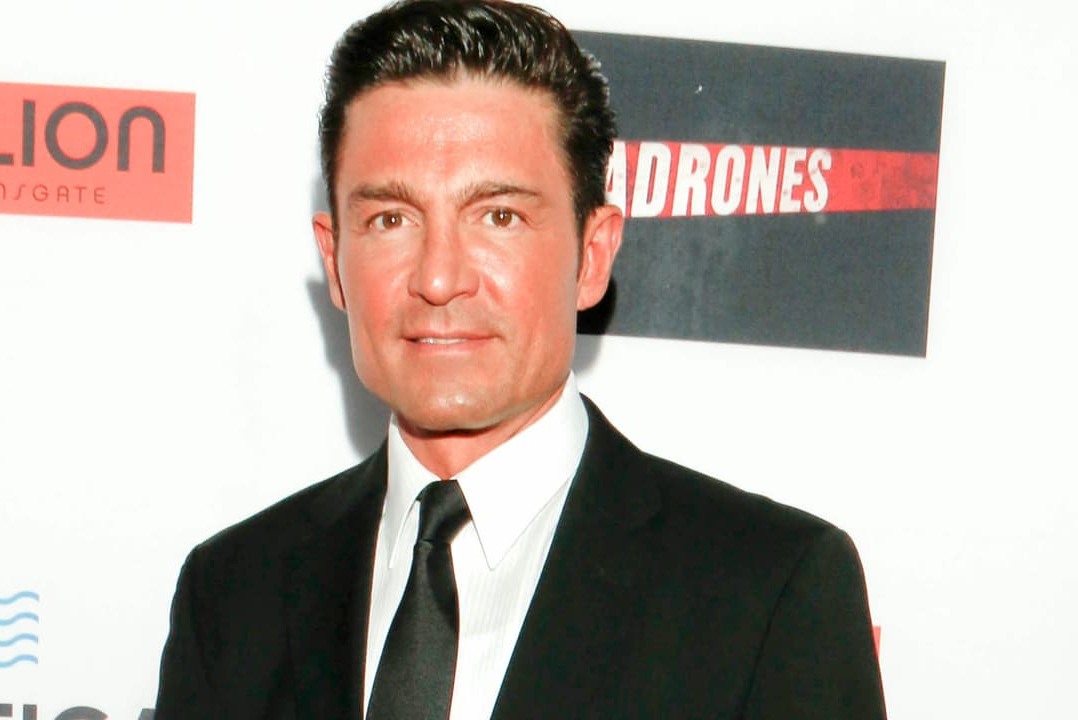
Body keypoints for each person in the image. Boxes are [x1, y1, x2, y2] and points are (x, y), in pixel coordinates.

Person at [154, 1, 887, 718]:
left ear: (592, 255)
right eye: (390, 219)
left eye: (499, 216)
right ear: (335, 260)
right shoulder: (231, 593)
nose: (439, 277)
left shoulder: (769, 596)